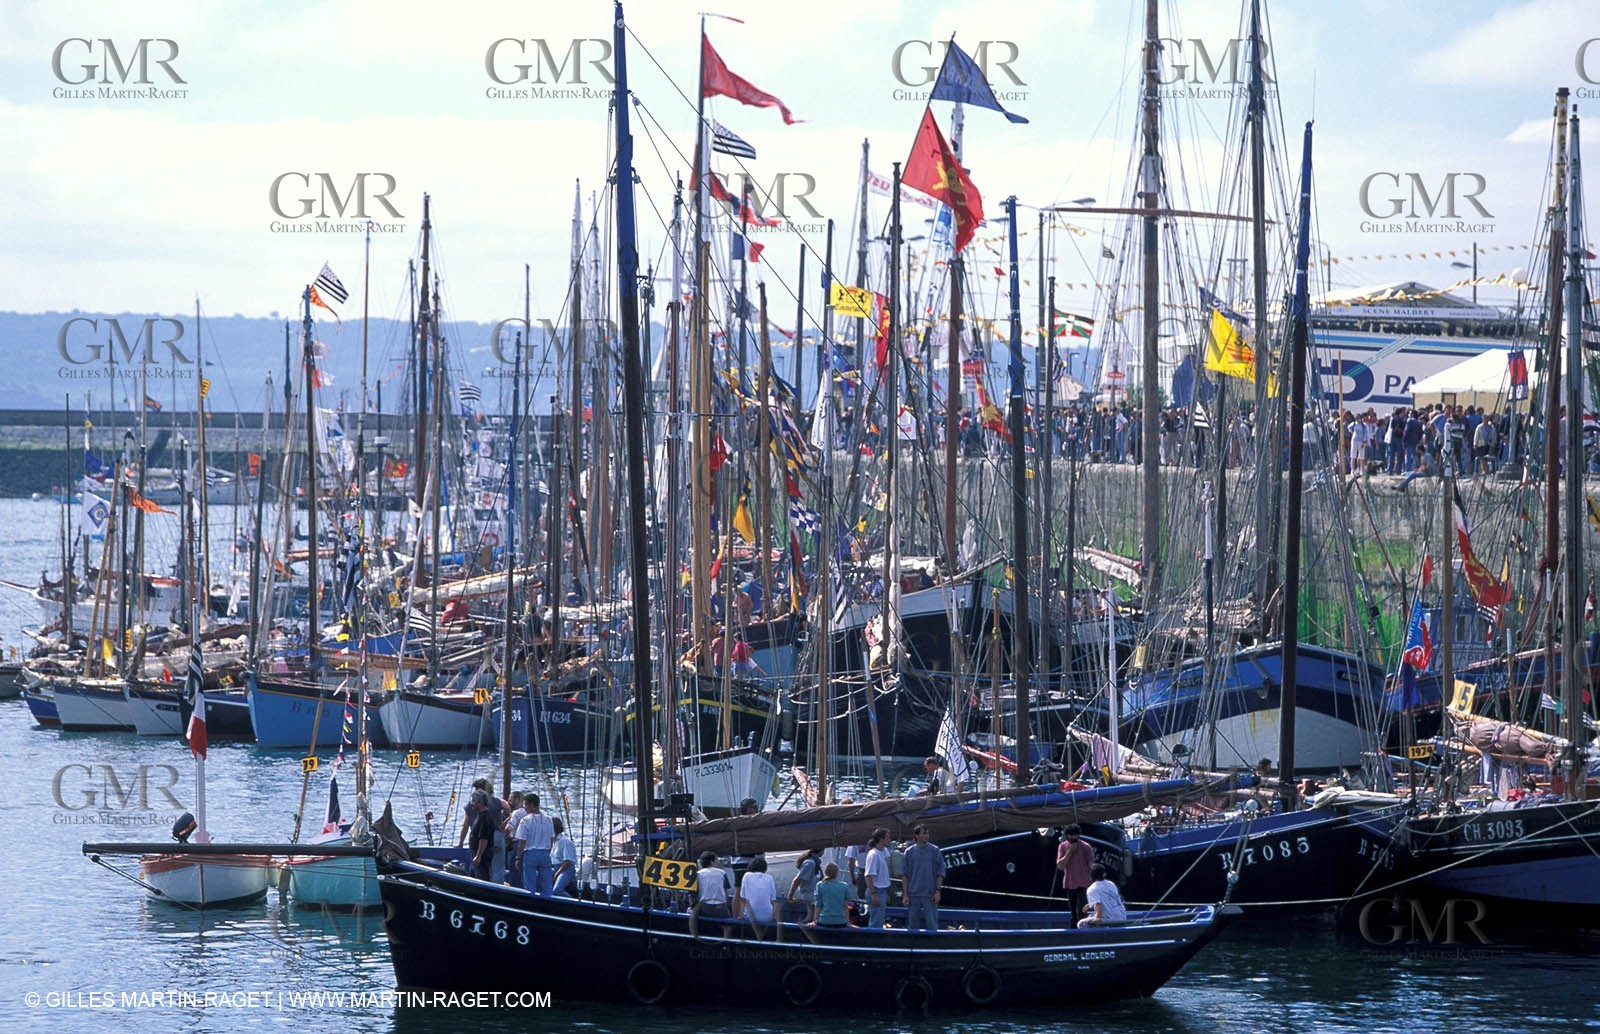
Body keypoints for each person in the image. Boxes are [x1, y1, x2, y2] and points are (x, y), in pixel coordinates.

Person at [900, 825, 946, 932]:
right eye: (924, 833)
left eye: (927, 833)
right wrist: (905, 894)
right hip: (913, 894)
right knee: (912, 926)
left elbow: (940, 873)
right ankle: (913, 946)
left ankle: (933, 946)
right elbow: (905, 875)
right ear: (917, 835)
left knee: (932, 925)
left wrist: (938, 891)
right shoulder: (909, 852)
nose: (927, 836)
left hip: (930, 894)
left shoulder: (935, 850)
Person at [691, 851, 734, 938]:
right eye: (716, 860)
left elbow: (694, 893)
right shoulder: (722, 873)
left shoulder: (698, 874)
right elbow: (725, 893)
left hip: (705, 908)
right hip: (720, 908)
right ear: (711, 862)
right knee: (729, 919)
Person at [1055, 823, 1095, 920]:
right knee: (1073, 912)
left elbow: (1091, 865)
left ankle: (1083, 931)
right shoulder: (1062, 846)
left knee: (1082, 911)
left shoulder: (1086, 847)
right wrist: (1070, 851)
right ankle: (1073, 932)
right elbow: (1060, 866)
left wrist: (1094, 879)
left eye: (1075, 835)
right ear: (1067, 835)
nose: (1073, 837)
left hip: (1084, 884)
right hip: (1069, 883)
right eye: (1071, 835)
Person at [519, 793, 555, 897]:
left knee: (529, 885)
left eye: (525, 804)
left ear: (531, 804)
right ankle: (548, 903)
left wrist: (518, 857)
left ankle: (530, 903)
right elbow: (552, 838)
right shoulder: (548, 819)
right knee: (547, 885)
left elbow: (522, 842)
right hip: (545, 853)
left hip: (530, 853)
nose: (524, 807)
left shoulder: (525, 821)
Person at [738, 856, 781, 938]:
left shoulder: (746, 876)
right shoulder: (769, 878)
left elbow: (742, 898)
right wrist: (775, 917)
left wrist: (741, 915)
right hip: (766, 917)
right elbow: (773, 901)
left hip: (750, 917)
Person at [1078, 863, 1128, 927]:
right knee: (1090, 915)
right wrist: (1090, 905)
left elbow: (1098, 904)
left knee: (1081, 923)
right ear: (1103, 874)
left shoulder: (1092, 889)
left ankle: (1097, 936)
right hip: (1122, 917)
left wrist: (1098, 917)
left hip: (1110, 919)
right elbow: (1109, 899)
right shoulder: (1111, 884)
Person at [864, 828, 893, 928]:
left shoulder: (884, 851)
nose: (890, 839)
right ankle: (872, 941)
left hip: (883, 889)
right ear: (881, 839)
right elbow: (868, 876)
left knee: (880, 919)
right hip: (876, 890)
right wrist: (874, 894)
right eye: (888, 837)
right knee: (876, 921)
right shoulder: (873, 855)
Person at [466, 791, 497, 881]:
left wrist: (478, 856)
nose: (472, 804)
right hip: (476, 852)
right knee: (474, 874)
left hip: (482, 854)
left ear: (480, 803)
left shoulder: (485, 817)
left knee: (482, 876)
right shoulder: (479, 815)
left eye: (473, 801)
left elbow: (484, 838)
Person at [788, 847, 823, 924]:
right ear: (821, 851)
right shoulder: (810, 863)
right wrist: (790, 896)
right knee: (812, 918)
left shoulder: (815, 862)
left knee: (811, 917)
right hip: (810, 895)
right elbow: (797, 880)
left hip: (813, 895)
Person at [814, 861, 851, 928]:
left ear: (825, 872)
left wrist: (814, 921)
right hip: (840, 921)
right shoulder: (845, 886)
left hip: (824, 920)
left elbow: (818, 905)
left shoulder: (820, 885)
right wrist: (847, 922)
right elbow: (845, 906)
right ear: (837, 873)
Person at [550, 817, 578, 897]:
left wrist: (556, 874)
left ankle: (572, 902)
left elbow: (567, 862)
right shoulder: (553, 841)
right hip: (555, 867)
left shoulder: (565, 841)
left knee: (557, 890)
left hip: (566, 869)